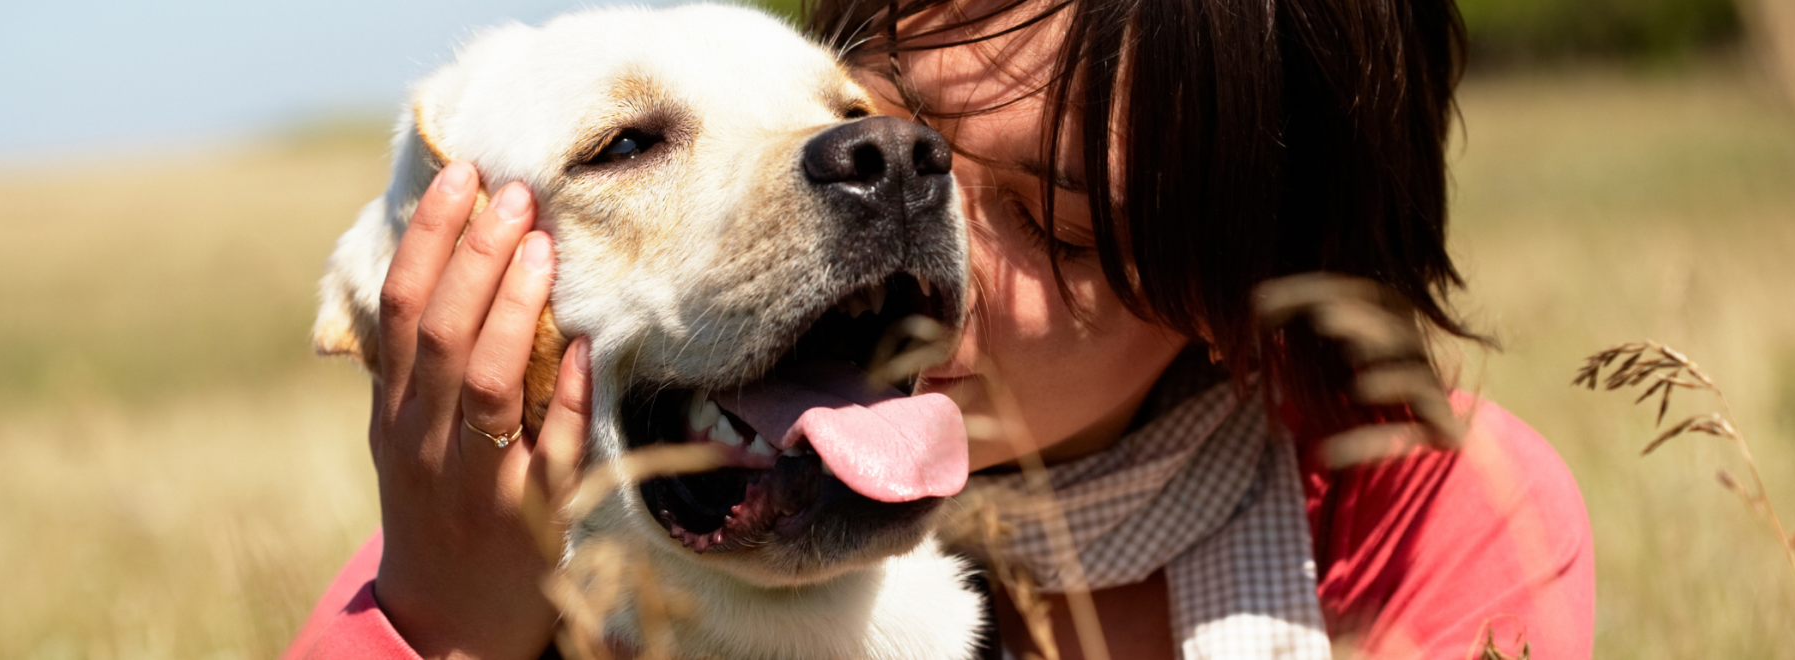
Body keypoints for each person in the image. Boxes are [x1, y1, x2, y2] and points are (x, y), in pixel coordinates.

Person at [282, 0, 1595, 657]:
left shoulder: (1415, 520)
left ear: (1247, 299)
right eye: (886, 131)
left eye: (1065, 232)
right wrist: (449, 612)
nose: (924, 222)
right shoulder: (540, 533)